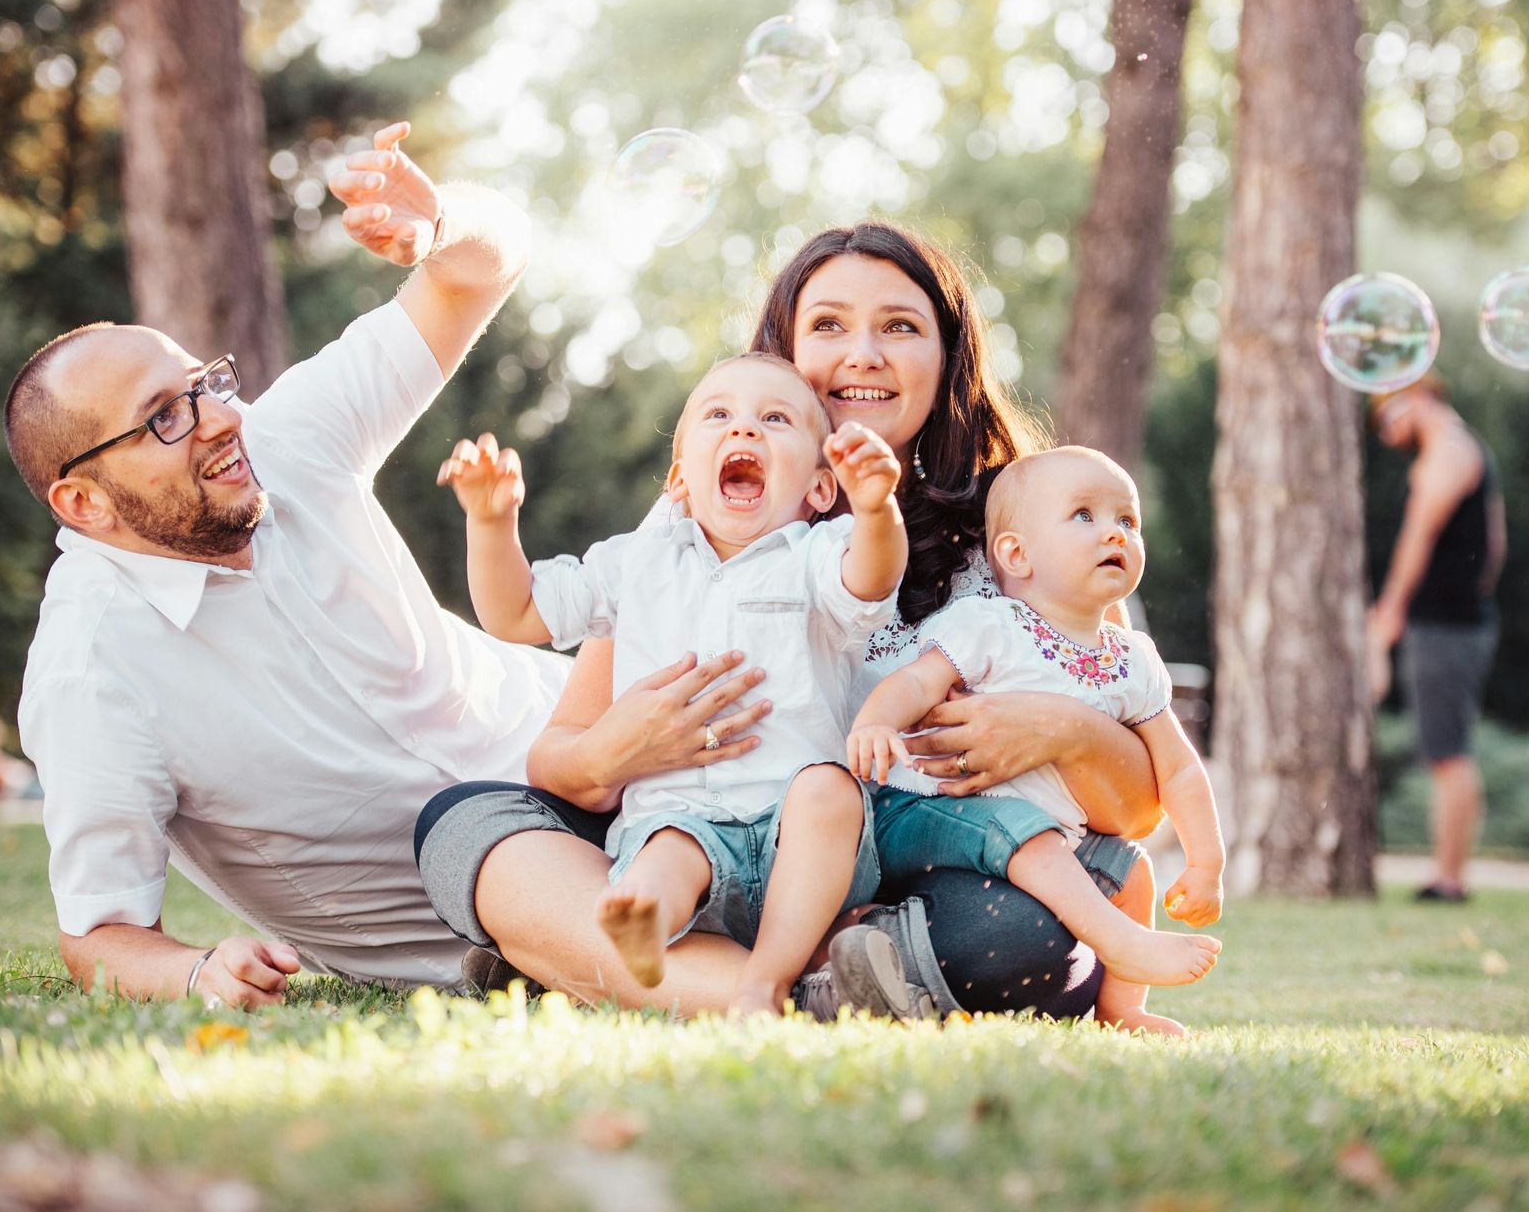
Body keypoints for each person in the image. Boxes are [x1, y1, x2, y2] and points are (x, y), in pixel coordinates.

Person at [417, 222, 1168, 1020]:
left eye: (901, 328)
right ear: (783, 348)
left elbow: (1134, 810)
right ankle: (789, 984)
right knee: (465, 826)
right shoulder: (688, 521)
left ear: (948, 357)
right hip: (696, 832)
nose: (864, 354)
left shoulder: (1028, 525)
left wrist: (1060, 726)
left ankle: (580, 963)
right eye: (829, 325)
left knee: (1018, 934)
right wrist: (615, 750)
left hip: (916, 860)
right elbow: (560, 758)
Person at [8, 125, 581, 1009]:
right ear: (84, 504)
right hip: (511, 914)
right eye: (164, 417)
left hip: (601, 739)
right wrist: (196, 972)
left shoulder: (288, 439)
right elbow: (101, 932)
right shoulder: (94, 671)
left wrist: (441, 223)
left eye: (206, 385)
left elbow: (488, 264)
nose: (218, 419)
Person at [437, 354, 907, 1014]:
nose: (744, 430)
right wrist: (490, 525)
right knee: (667, 848)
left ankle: (764, 983)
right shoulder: (636, 562)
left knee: (828, 788)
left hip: (797, 841)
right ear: (684, 476)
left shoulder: (817, 560)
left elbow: (874, 575)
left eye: (774, 419)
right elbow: (517, 614)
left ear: (821, 489)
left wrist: (877, 506)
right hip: (680, 824)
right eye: (718, 415)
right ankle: (641, 925)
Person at [848, 446, 1224, 1035]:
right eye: (1085, 516)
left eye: (1127, 520)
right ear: (1017, 554)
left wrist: (1206, 864)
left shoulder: (1132, 659)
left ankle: (1123, 1011)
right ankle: (1120, 942)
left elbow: (1176, 768)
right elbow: (918, 681)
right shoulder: (989, 625)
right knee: (1030, 839)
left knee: (1133, 871)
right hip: (930, 808)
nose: (1115, 534)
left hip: (1041, 834)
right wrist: (874, 723)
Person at [1366, 375, 1506, 904]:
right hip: (1456, 621)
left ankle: (1450, 881)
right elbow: (1496, 543)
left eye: (1386, 416)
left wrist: (1390, 613)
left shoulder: (1448, 450)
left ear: (1418, 396)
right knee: (1443, 749)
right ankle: (1447, 875)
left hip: (1447, 626)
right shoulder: (1463, 448)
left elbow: (1417, 538)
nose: (1385, 432)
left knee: (1447, 751)